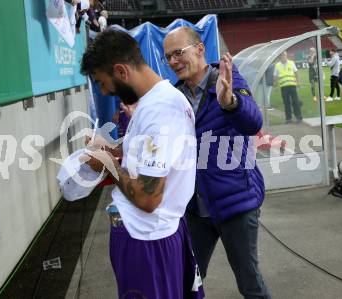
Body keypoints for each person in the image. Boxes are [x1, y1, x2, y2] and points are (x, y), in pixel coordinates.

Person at [80, 29, 204, 299]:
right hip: (149, 237)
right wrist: (112, 150)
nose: (104, 91)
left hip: (147, 241)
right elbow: (147, 159)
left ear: (122, 71)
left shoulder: (159, 109)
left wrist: (108, 163)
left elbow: (148, 197)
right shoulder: (153, 103)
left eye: (102, 82)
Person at [163, 26, 271, 299]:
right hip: (195, 209)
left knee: (250, 284)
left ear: (200, 49)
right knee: (187, 281)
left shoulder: (228, 78)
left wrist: (230, 101)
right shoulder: (174, 97)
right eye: (168, 57)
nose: (174, 61)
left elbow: (252, 122)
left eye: (179, 53)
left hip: (235, 204)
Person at [274, 51, 302, 124]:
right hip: (283, 87)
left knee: (295, 102)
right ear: (280, 57)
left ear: (286, 56)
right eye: (281, 55)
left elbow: (296, 73)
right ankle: (288, 119)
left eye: (284, 55)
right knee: (286, 103)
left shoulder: (291, 63)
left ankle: (298, 117)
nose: (283, 56)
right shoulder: (277, 65)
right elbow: (275, 76)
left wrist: (298, 82)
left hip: (292, 85)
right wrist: (276, 86)